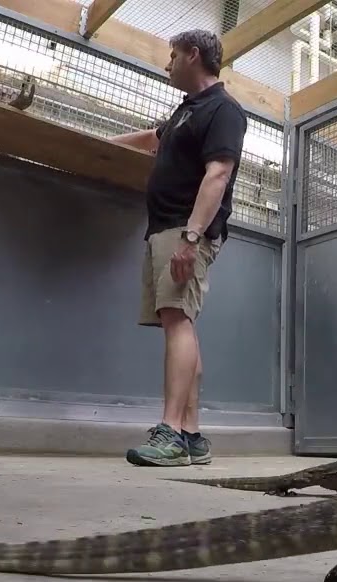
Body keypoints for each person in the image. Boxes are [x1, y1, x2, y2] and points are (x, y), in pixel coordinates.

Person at [110, 29, 247, 467]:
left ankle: (170, 433)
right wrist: (94, 145)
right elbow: (153, 139)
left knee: (178, 322)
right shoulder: (187, 112)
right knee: (179, 320)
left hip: (185, 230)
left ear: (193, 55)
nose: (166, 64)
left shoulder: (223, 110)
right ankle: (191, 435)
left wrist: (191, 237)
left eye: (172, 56)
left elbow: (218, 174)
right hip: (165, 227)